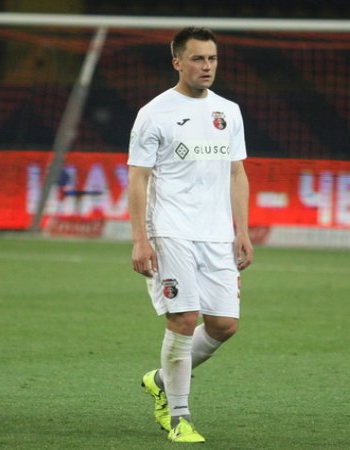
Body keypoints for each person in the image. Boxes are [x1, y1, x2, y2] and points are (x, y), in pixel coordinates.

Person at [127, 26, 254, 444]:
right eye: (198, 58)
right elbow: (138, 178)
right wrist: (140, 239)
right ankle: (179, 416)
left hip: (216, 234)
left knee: (224, 325)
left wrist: (242, 230)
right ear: (177, 62)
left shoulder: (228, 111)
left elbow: (237, 173)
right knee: (184, 318)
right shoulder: (155, 113)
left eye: (212, 58)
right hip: (170, 230)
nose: (207, 66)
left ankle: (161, 380)